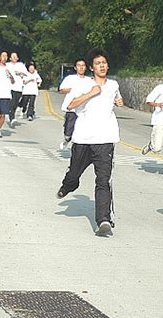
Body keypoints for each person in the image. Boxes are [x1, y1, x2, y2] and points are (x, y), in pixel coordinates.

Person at [56, 48, 123, 237]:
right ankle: (68, 185)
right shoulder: (84, 84)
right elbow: (71, 105)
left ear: (107, 65)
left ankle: (103, 220)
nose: (101, 66)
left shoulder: (114, 85)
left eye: (104, 62)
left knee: (103, 180)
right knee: (74, 173)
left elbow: (117, 99)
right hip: (83, 138)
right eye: (97, 63)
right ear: (92, 68)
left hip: (106, 139)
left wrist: (119, 101)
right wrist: (91, 93)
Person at [58, 58, 90, 150]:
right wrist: (72, 89)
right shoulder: (70, 78)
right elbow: (62, 90)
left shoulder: (89, 80)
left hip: (84, 109)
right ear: (75, 68)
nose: (81, 67)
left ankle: (78, 149)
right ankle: (67, 139)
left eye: (83, 65)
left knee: (82, 131)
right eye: (79, 65)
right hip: (71, 108)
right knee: (69, 131)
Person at [7, 52, 28, 127]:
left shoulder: (21, 65)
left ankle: (11, 114)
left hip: (18, 87)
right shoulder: (7, 65)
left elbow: (26, 74)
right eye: (13, 56)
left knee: (16, 103)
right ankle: (11, 117)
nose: (14, 58)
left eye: (16, 56)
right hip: (10, 87)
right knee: (12, 102)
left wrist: (20, 73)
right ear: (10, 58)